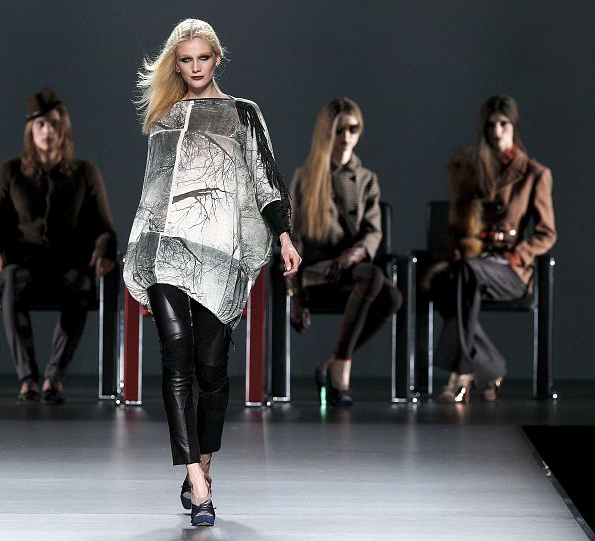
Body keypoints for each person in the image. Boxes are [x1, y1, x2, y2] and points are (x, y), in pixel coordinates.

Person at [123, 19, 300, 527]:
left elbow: (266, 180)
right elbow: (154, 189)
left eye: (203, 58)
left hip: (219, 253)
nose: (195, 67)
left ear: (217, 59)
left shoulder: (243, 114)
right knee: (176, 356)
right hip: (163, 248)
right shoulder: (164, 116)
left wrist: (284, 236)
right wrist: (140, 248)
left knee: (212, 368)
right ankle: (196, 484)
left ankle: (202, 462)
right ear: (176, 64)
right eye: (186, 60)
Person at [0, 87, 117, 404]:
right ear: (30, 129)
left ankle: (54, 377)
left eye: (54, 123)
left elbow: (105, 229)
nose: (47, 131)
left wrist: (105, 248)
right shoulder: (9, 171)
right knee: (11, 279)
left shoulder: (85, 172)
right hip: (24, 264)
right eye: (40, 124)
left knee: (81, 283)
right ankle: (27, 379)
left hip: (68, 265)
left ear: (63, 128)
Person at [432, 95, 556, 403]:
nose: (497, 131)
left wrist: (521, 253)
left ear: (514, 126)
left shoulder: (534, 174)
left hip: (510, 271)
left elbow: (547, 233)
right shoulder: (472, 169)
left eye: (504, 124)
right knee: (443, 282)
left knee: (464, 276)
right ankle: (491, 367)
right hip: (474, 263)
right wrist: (457, 246)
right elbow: (456, 222)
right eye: (490, 125)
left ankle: (461, 373)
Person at [288, 98, 402, 407]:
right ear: (327, 132)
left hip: (352, 269)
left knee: (392, 297)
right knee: (378, 281)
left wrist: (355, 253)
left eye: (353, 128)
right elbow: (292, 237)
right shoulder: (307, 176)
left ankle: (335, 361)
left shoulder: (366, 179)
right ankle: (340, 376)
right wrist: (295, 295)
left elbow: (374, 230)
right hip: (318, 270)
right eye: (339, 129)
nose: (346, 136)